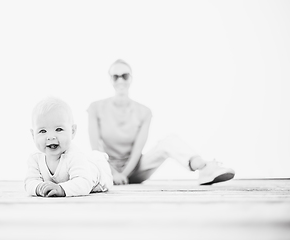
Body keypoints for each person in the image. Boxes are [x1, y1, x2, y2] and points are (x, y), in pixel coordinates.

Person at [87, 59, 235, 185]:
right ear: (110, 79)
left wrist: (123, 174)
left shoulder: (144, 112)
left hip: (135, 169)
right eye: (115, 76)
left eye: (124, 76)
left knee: (169, 141)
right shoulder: (95, 108)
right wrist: (113, 173)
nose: (120, 80)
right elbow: (96, 151)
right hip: (106, 168)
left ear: (131, 78)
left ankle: (203, 168)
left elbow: (137, 150)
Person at [25, 97, 113, 197]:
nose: (50, 137)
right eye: (42, 131)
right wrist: (38, 188)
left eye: (59, 129)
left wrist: (61, 189)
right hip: (81, 169)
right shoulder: (35, 158)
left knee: (95, 162)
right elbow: (30, 182)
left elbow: (84, 183)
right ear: (33, 135)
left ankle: (99, 158)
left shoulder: (74, 156)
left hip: (98, 176)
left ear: (72, 131)